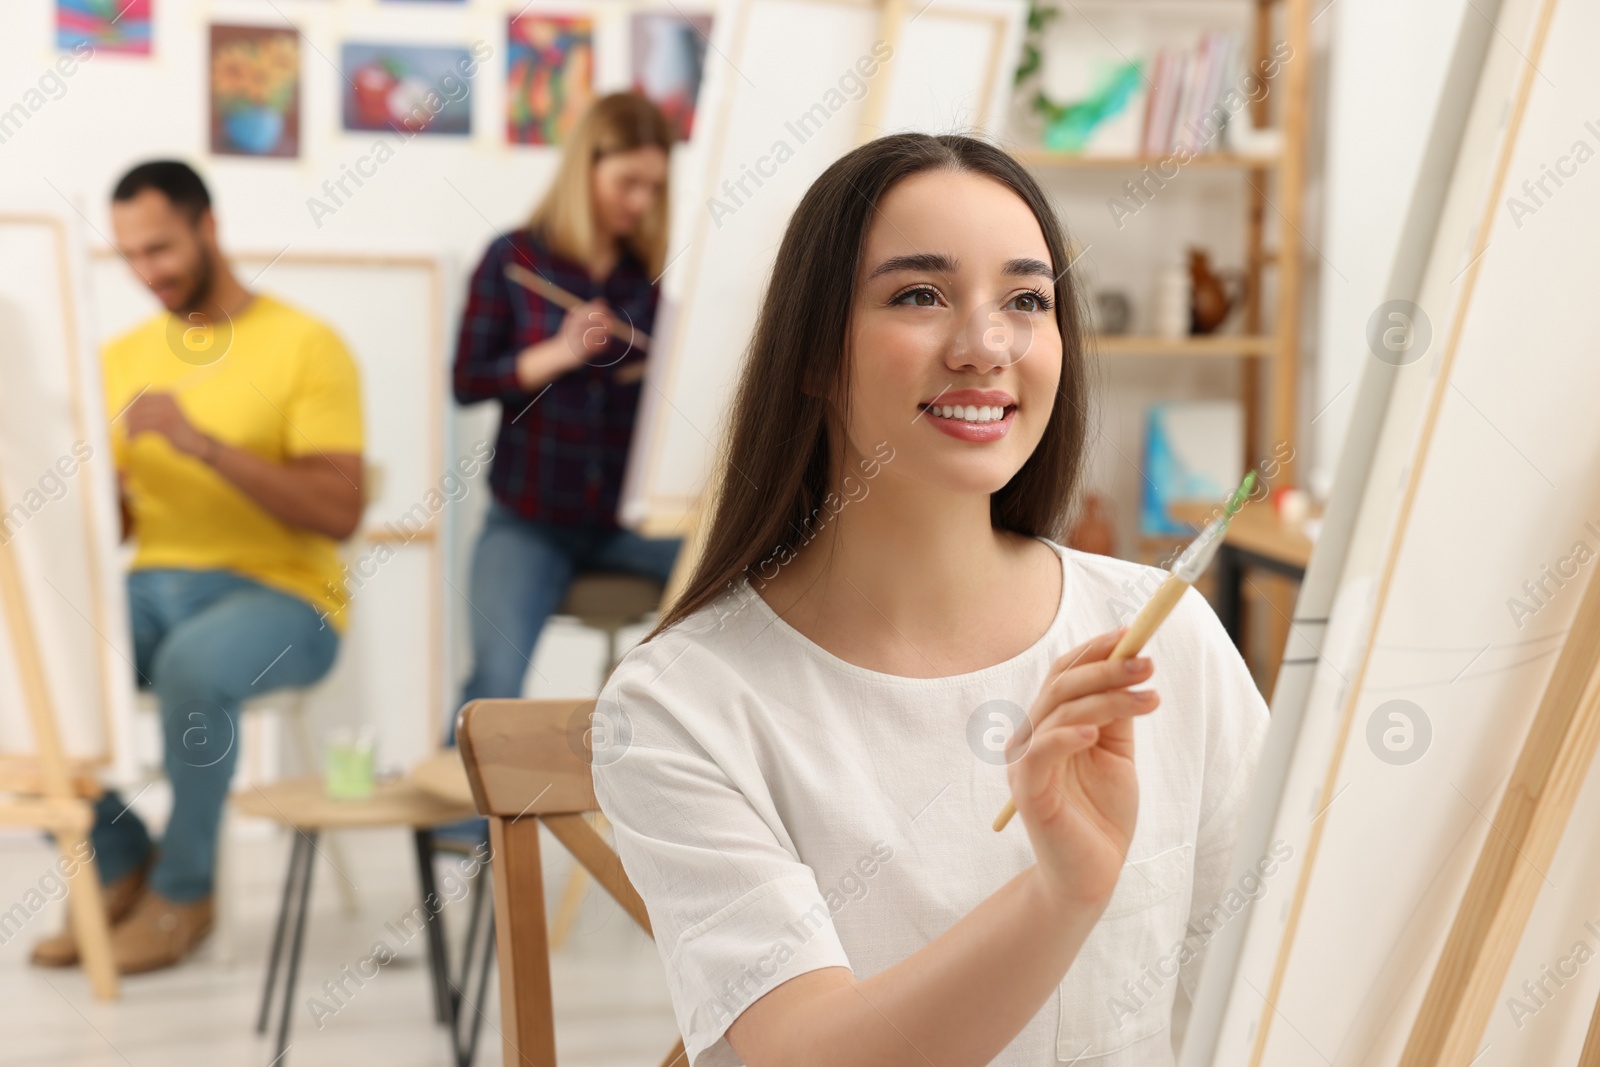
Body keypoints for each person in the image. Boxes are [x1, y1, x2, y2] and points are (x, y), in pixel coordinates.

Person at [590, 133, 1272, 1066]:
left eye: (1027, 300)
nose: (986, 346)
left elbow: (1280, 980)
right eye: (919, 294)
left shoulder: (1164, 638)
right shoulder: (679, 704)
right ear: (812, 353)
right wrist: (1061, 891)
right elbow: (807, 1053)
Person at [31, 161, 364, 974]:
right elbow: (113, 526)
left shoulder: (306, 344)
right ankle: (119, 861)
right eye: (133, 256)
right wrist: (78, 490)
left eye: (163, 249)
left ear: (207, 227)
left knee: (192, 666)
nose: (149, 272)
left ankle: (185, 894)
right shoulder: (115, 358)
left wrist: (202, 444)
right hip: (153, 584)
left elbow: (340, 509)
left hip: (288, 596)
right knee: (29, 666)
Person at [450, 92, 681, 733]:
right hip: (529, 519)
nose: (639, 202)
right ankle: (460, 833)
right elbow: (468, 381)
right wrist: (558, 352)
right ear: (586, 168)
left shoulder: (655, 283)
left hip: (628, 522)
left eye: (653, 188)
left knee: (754, 593)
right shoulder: (512, 260)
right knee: (493, 684)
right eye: (627, 182)